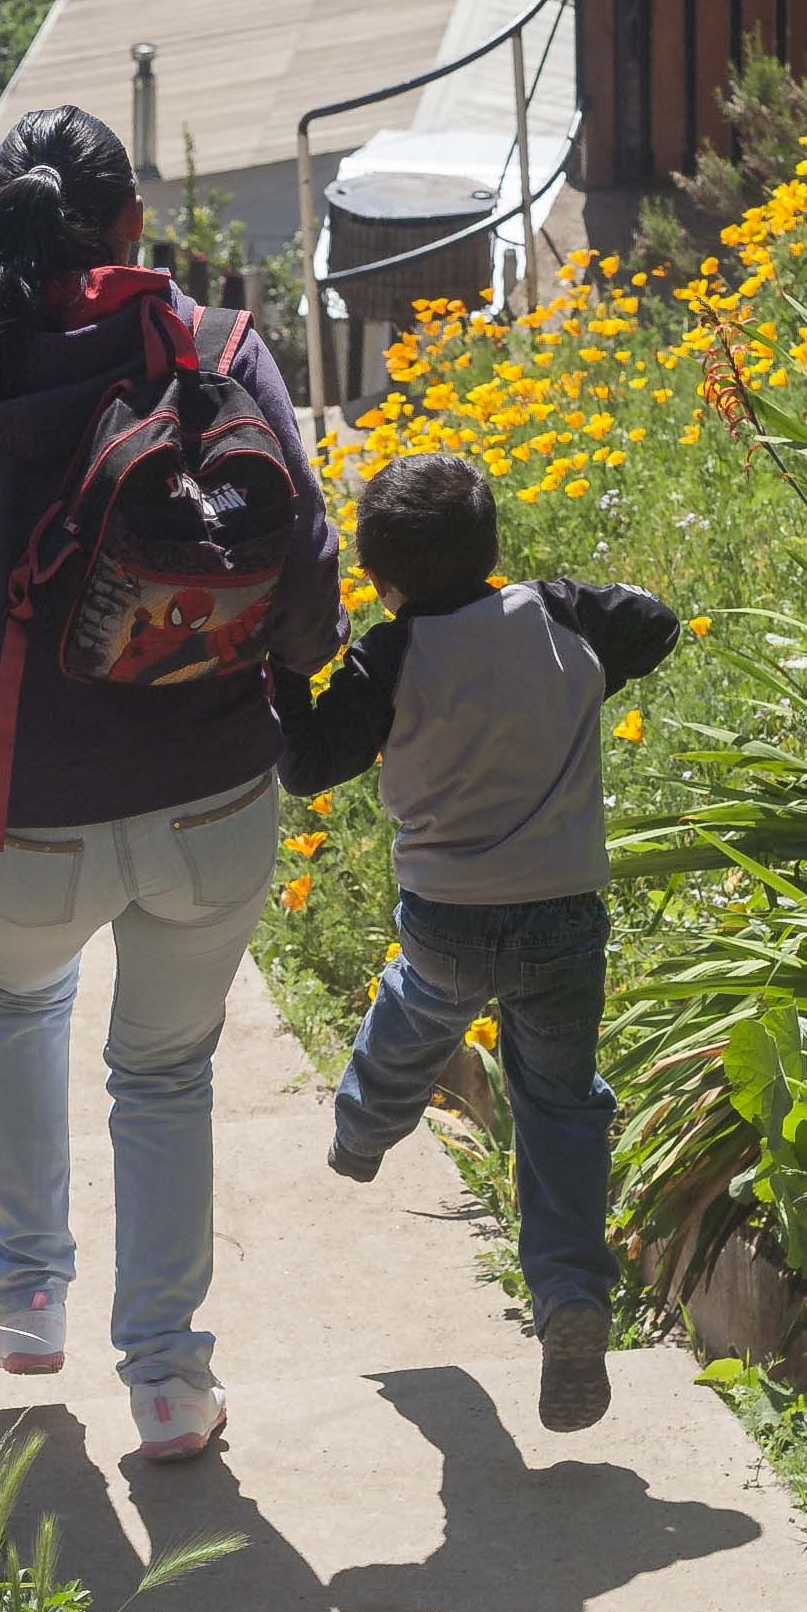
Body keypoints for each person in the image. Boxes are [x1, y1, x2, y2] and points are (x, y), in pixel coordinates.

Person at [0, 107, 343, 1462]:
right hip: (212, 797)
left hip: (13, 815)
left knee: (16, 993)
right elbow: (310, 571)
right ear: (133, 223)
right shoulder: (216, 349)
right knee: (164, 1073)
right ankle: (167, 1378)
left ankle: (26, 1294)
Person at [274, 449, 677, 1433]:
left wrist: (281, 671)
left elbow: (309, 765)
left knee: (416, 1005)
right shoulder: (560, 617)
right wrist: (572, 644)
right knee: (560, 1104)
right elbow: (656, 622)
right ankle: (571, 1294)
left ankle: (364, 1129)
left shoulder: (389, 658)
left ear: (380, 579)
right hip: (564, 920)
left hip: (447, 918)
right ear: (493, 545)